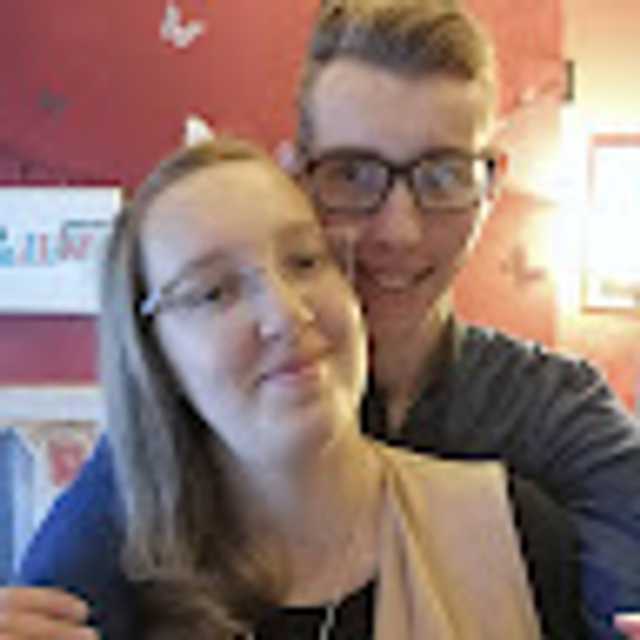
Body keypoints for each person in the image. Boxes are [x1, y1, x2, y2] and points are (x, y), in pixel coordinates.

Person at [8, 0, 640, 637]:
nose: (399, 231)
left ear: (490, 185)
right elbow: (58, 603)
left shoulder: (556, 413)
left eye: (444, 175)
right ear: (298, 178)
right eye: (354, 175)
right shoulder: (200, 421)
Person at [1, 137, 543, 639]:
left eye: (305, 261)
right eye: (214, 292)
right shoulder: (98, 593)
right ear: (156, 358)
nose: (285, 314)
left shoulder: (510, 534)